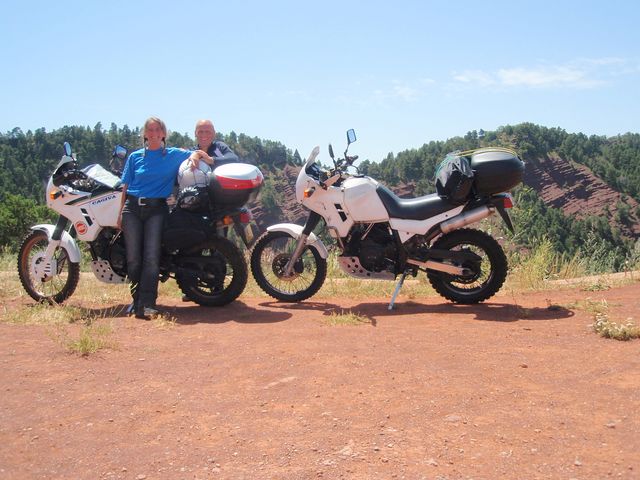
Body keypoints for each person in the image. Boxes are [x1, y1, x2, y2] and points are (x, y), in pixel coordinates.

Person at [118, 117, 212, 319]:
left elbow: (200, 154)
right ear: (145, 134)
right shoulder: (134, 157)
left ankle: (148, 304)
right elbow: (125, 187)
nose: (153, 133)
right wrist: (119, 214)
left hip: (156, 210)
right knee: (133, 259)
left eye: (157, 130)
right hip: (131, 209)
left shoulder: (172, 154)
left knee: (152, 258)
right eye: (150, 130)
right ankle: (137, 302)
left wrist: (196, 157)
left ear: (163, 134)